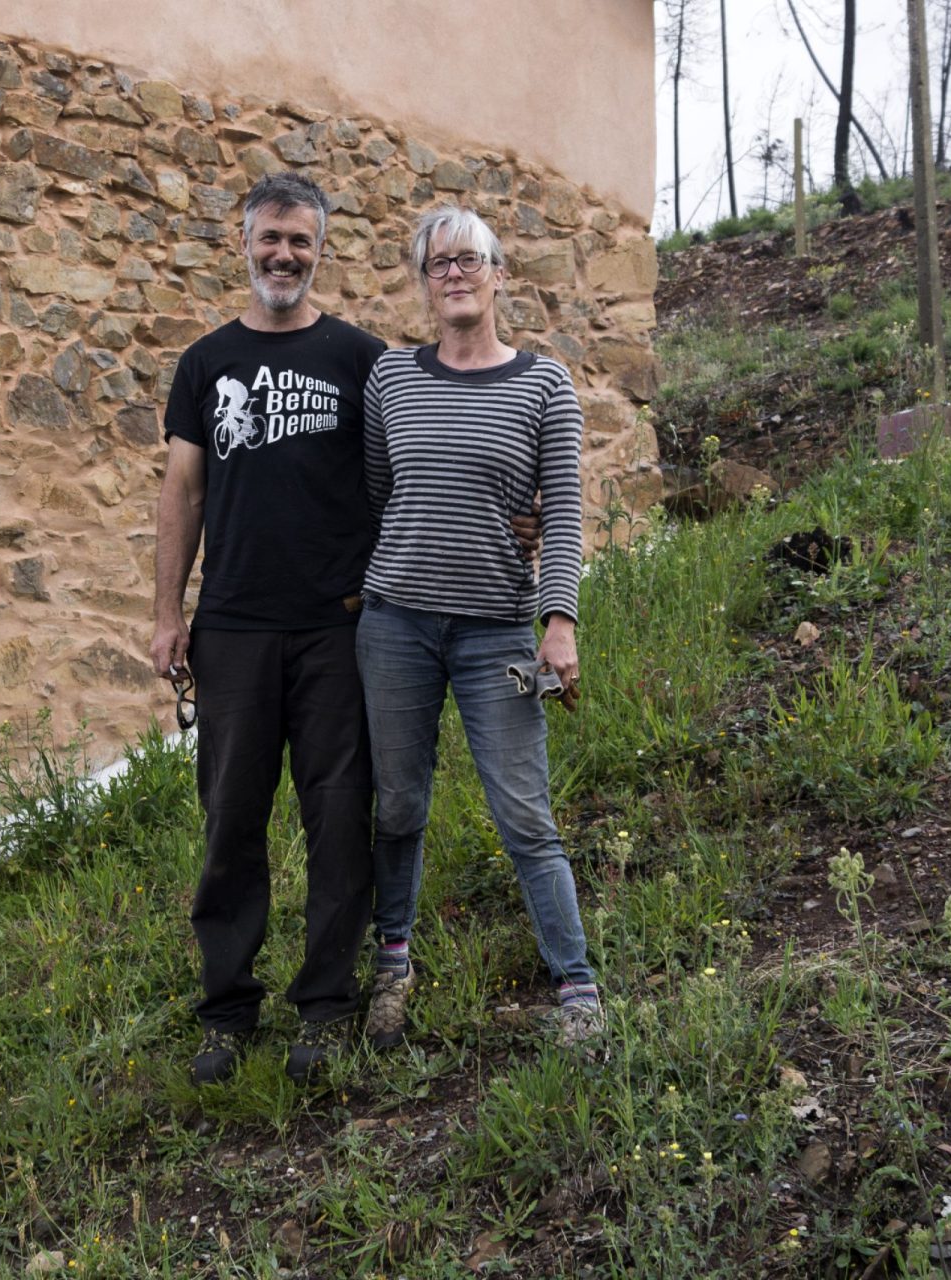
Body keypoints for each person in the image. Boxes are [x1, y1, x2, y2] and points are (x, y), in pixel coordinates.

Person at [150, 172, 385, 1085]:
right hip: (235, 629)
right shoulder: (204, 363)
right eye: (269, 238)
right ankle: (227, 1011)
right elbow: (183, 490)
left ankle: (324, 1008)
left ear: (320, 249)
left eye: (300, 240)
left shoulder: (361, 358)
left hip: (339, 630)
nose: (283, 255)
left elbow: (408, 470)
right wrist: (169, 616)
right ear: (242, 242)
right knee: (230, 825)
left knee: (336, 821)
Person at [357, 205, 602, 1051]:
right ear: (424, 285)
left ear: (501, 276)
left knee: (525, 816)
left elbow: (563, 518)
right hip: (394, 628)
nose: (453, 274)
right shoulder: (390, 379)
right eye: (436, 264)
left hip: (498, 633)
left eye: (469, 259)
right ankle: (392, 963)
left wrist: (558, 623)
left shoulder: (545, 385)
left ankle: (576, 986)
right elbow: (380, 495)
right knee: (397, 804)